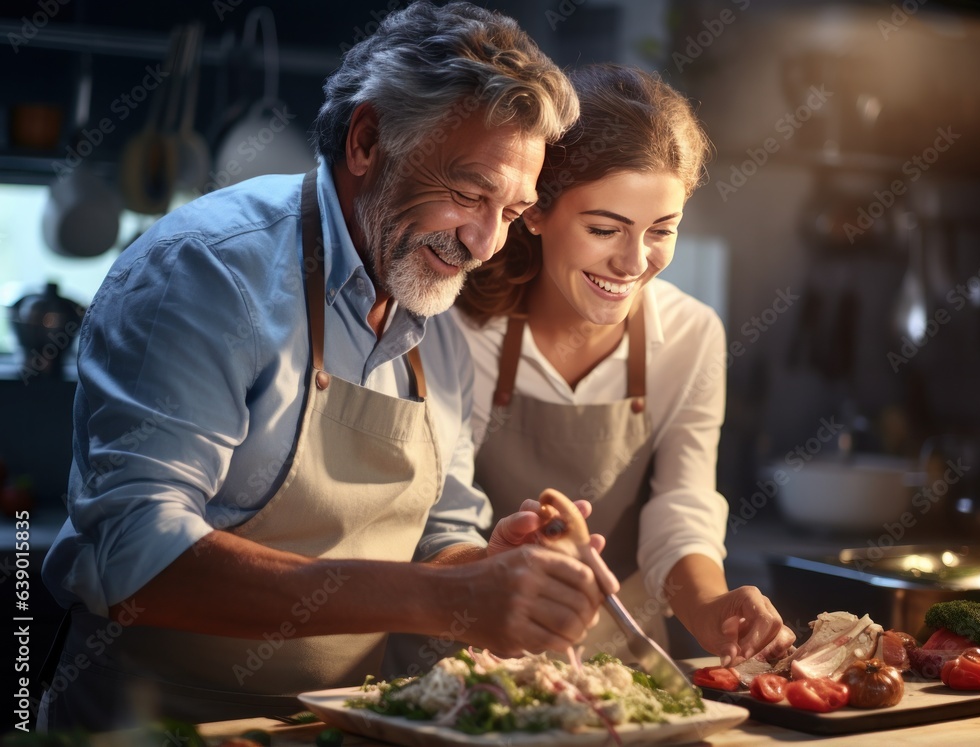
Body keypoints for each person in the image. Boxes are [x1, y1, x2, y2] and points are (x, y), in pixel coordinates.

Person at [37, 2, 606, 730]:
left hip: (344, 728)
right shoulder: (206, 272)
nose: (486, 241)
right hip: (157, 727)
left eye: (512, 207)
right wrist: (444, 598)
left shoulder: (437, 310)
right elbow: (134, 553)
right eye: (468, 194)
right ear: (368, 140)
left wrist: (489, 569)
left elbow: (441, 531)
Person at [454, 64, 795, 667]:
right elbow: (442, 512)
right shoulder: (459, 327)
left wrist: (713, 607)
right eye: (604, 229)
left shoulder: (690, 335)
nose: (633, 262)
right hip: (472, 659)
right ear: (535, 212)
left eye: (662, 230)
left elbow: (681, 506)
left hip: (624, 667)